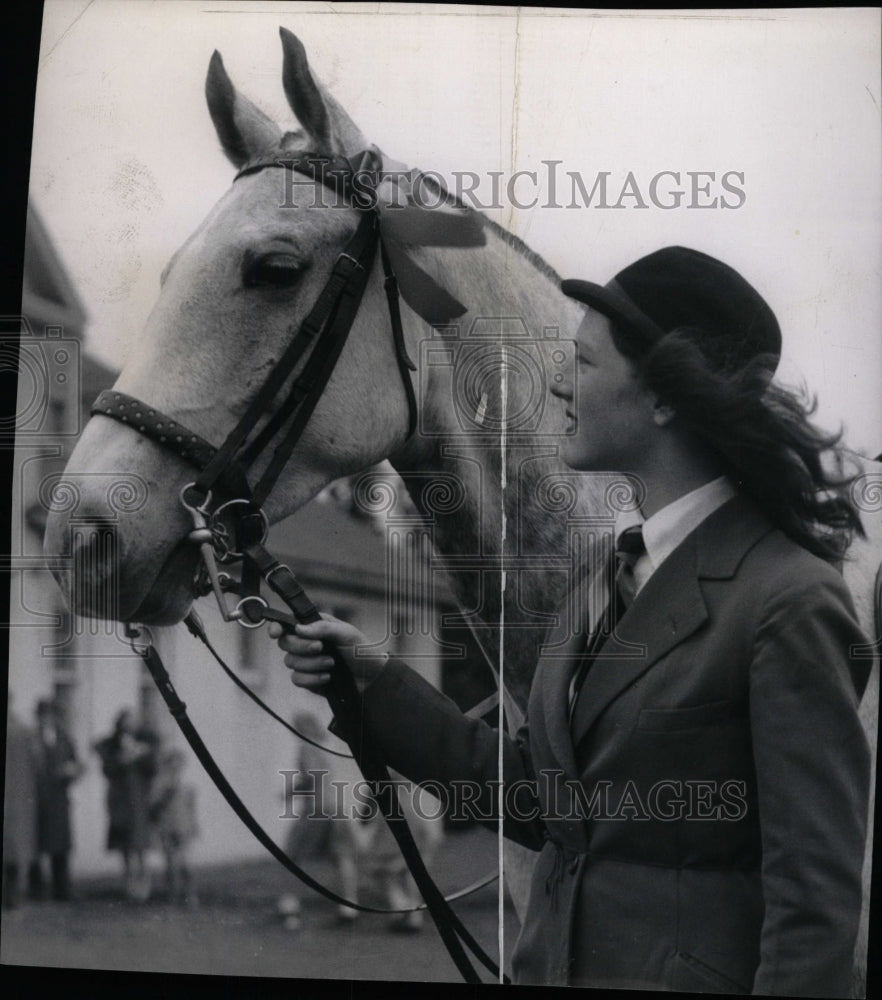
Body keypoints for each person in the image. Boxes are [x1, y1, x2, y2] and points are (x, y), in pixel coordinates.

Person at [270, 247, 871, 996]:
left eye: (582, 363)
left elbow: (814, 909)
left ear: (663, 397)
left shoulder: (789, 601)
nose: (555, 383)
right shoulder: (598, 581)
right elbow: (537, 797)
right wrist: (374, 682)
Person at [93, 708, 160, 902]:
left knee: (140, 844)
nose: (129, 728)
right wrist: (122, 759)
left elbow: (153, 769)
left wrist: (139, 755)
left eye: (132, 724)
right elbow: (107, 770)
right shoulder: (112, 747)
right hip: (120, 800)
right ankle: (129, 885)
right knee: (124, 844)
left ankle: (144, 885)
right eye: (125, 724)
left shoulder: (145, 745)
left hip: (139, 800)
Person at [29, 698, 83, 901]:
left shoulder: (65, 739)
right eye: (42, 715)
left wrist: (71, 771)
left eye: (49, 715)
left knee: (60, 846)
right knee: (35, 844)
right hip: (36, 798)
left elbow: (77, 763)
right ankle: (37, 889)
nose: (46, 719)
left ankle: (62, 889)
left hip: (59, 798)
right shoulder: (31, 739)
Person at [148, 748, 199, 905]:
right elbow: (153, 806)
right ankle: (172, 893)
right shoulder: (159, 784)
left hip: (183, 826)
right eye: (171, 766)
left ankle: (189, 893)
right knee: (170, 861)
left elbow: (192, 807)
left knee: (185, 861)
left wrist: (194, 825)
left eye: (178, 766)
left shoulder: (187, 785)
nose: (175, 770)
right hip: (167, 826)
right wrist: (166, 795)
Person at [3, 694, 38, 909]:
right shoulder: (24, 731)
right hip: (18, 799)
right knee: (15, 850)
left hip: (16, 798)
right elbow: (38, 762)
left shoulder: (21, 731)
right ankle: (12, 896)